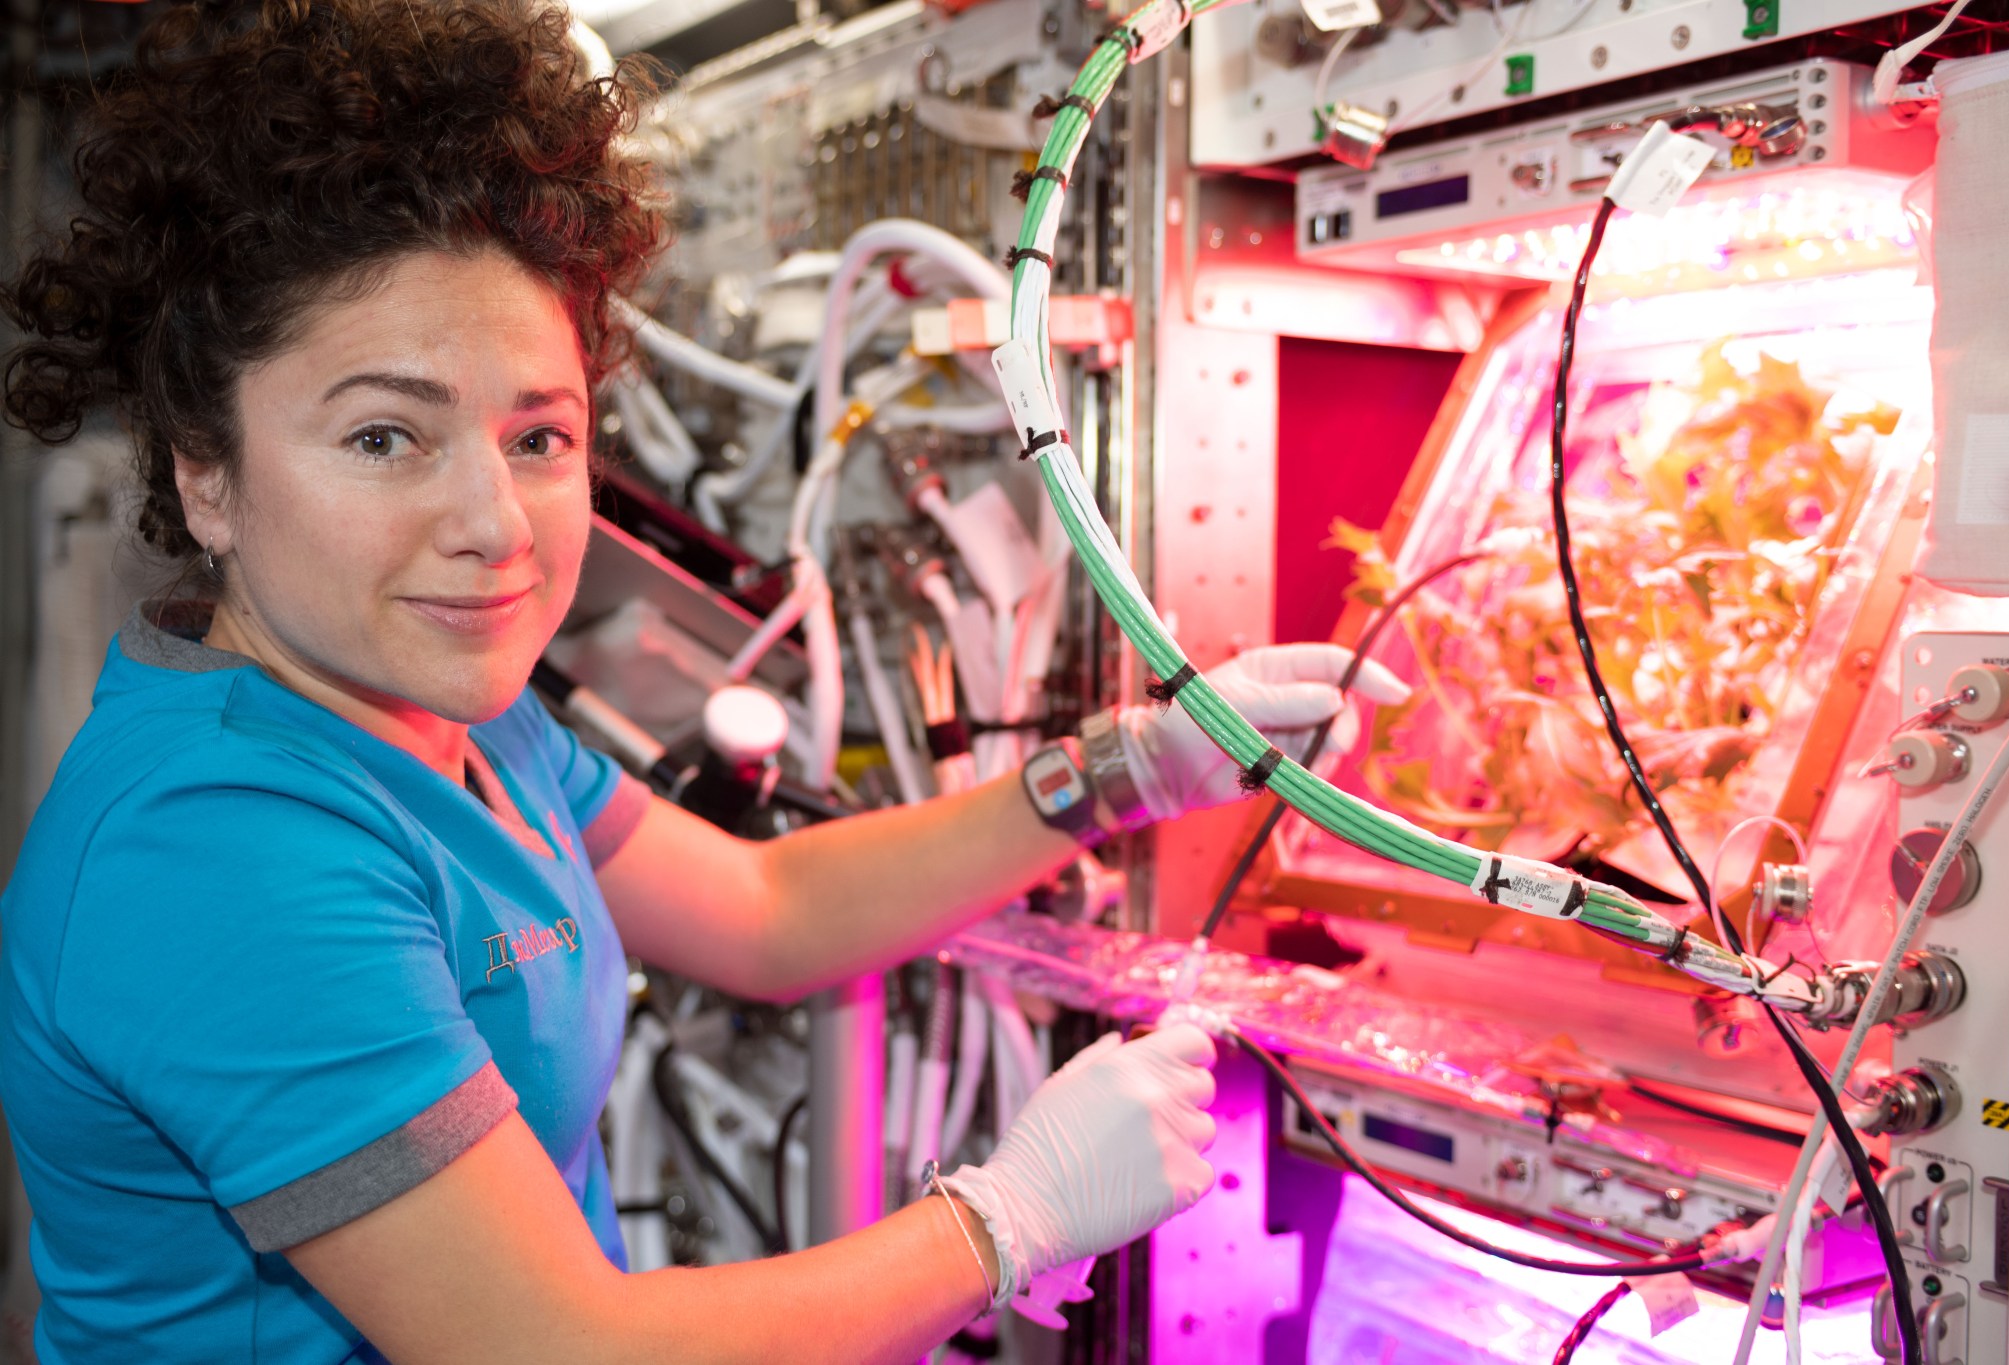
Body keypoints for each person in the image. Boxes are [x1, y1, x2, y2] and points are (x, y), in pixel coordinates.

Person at [0, 1, 1407, 1361]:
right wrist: (1008, 1218)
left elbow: (765, 910)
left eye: (538, 437)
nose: (494, 521)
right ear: (208, 474)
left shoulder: (440, 719)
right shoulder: (217, 849)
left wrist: (1121, 767)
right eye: (384, 438)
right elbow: (556, 1349)